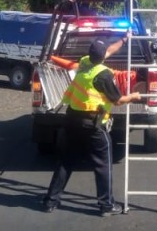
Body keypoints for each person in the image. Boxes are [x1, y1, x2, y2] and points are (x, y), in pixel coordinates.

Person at [41, 34, 142, 216]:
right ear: (102, 57)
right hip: (93, 125)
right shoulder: (104, 75)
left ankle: (50, 201)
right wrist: (134, 97)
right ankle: (106, 205)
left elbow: (109, 50)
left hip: (71, 120)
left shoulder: (85, 62)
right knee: (103, 164)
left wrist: (124, 40)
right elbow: (118, 100)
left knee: (66, 162)